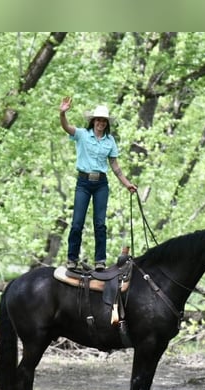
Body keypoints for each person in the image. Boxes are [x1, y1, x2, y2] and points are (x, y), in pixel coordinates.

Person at [59, 96, 137, 271]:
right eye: (98, 119)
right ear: (93, 121)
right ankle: (72, 258)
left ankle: (100, 261)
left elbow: (115, 166)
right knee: (77, 222)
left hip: (101, 183)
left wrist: (127, 184)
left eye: (103, 120)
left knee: (100, 223)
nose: (100, 123)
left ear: (106, 123)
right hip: (83, 182)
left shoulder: (110, 141)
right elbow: (66, 127)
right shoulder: (82, 135)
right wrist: (62, 113)